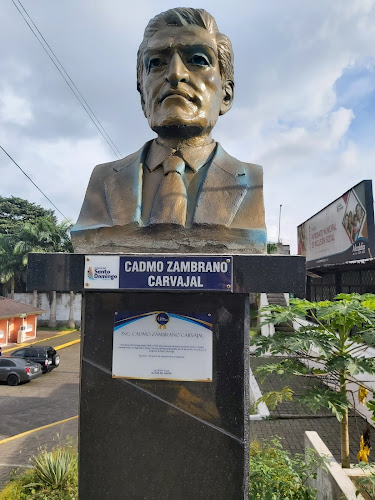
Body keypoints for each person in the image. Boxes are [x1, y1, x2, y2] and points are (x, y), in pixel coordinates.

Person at [72, 8, 266, 253]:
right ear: (143, 97)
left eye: (198, 59)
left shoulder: (250, 180)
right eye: (156, 63)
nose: (175, 74)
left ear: (227, 95)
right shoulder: (102, 180)